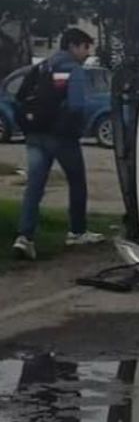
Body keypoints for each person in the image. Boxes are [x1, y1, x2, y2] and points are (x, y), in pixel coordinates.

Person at [10, 28, 107, 260]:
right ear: (73, 46)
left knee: (35, 186)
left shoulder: (42, 66)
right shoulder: (73, 70)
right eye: (85, 47)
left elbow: (20, 97)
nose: (86, 53)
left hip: (35, 135)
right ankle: (76, 231)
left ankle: (24, 237)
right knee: (77, 182)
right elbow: (76, 106)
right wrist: (76, 129)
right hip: (62, 138)